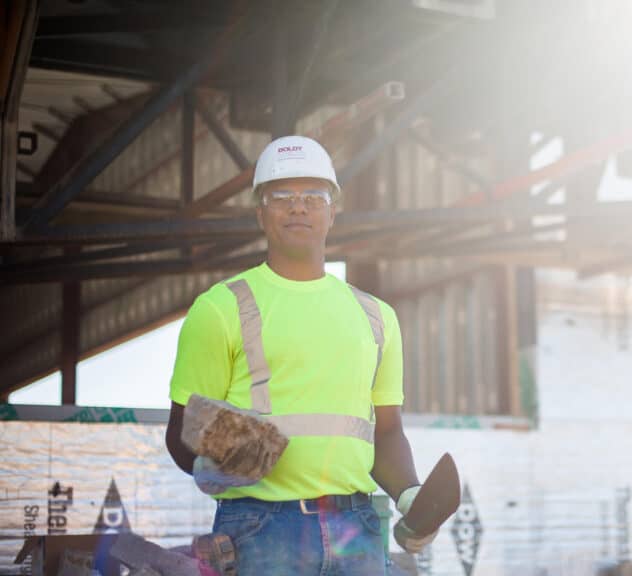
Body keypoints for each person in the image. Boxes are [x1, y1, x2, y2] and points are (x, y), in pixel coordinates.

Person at [164, 135, 435, 575]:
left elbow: (386, 433)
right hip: (260, 528)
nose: (298, 206)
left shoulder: (377, 317)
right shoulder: (219, 308)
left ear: (332, 211)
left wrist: (411, 497)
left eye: (314, 195)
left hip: (358, 527)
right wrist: (221, 462)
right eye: (281, 196)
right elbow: (181, 431)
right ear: (260, 213)